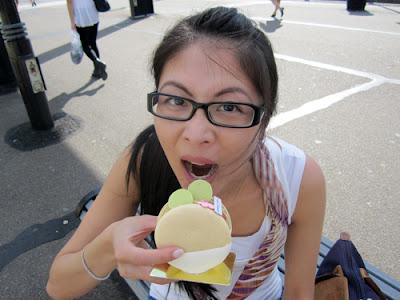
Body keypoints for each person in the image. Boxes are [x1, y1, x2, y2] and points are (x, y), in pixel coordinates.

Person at [46, 6, 325, 300]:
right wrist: (106, 249)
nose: (195, 134)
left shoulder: (298, 178)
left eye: (229, 107)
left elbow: (298, 291)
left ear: (264, 119)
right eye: (176, 100)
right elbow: (58, 285)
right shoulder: (143, 159)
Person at [66, 0, 107, 80]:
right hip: (93, 13)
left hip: (81, 16)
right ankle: (97, 70)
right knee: (92, 43)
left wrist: (72, 22)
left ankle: (97, 62)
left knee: (84, 44)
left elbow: (69, 2)